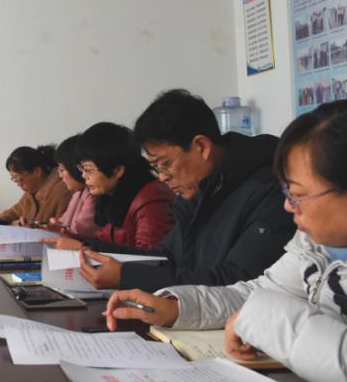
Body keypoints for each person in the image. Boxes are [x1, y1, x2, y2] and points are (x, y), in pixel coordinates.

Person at [106, 100, 347, 382]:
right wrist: (178, 306)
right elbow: (261, 291)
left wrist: (262, 319)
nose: (288, 207)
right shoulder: (326, 231)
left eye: (297, 195)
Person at [78, 89, 294, 290]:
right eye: (156, 168)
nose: (162, 177)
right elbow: (165, 257)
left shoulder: (272, 192)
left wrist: (127, 277)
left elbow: (238, 281)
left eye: (165, 164)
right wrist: (88, 249)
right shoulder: (198, 190)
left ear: (201, 146)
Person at [42, 122, 174, 250]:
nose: (83, 175)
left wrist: (84, 247)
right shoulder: (111, 195)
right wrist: (70, 237)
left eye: (89, 170)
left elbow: (151, 258)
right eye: (82, 169)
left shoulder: (151, 199)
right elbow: (103, 242)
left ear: (117, 170)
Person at [0, 145, 72, 226]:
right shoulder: (32, 192)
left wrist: (23, 225)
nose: (18, 184)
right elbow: (14, 212)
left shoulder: (63, 191)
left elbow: (62, 227)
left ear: (37, 172)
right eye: (15, 180)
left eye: (20, 179)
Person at [46, 135, 97, 239]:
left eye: (62, 170)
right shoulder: (77, 193)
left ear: (75, 168)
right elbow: (61, 222)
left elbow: (80, 233)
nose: (60, 177)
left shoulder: (92, 194)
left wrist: (57, 228)